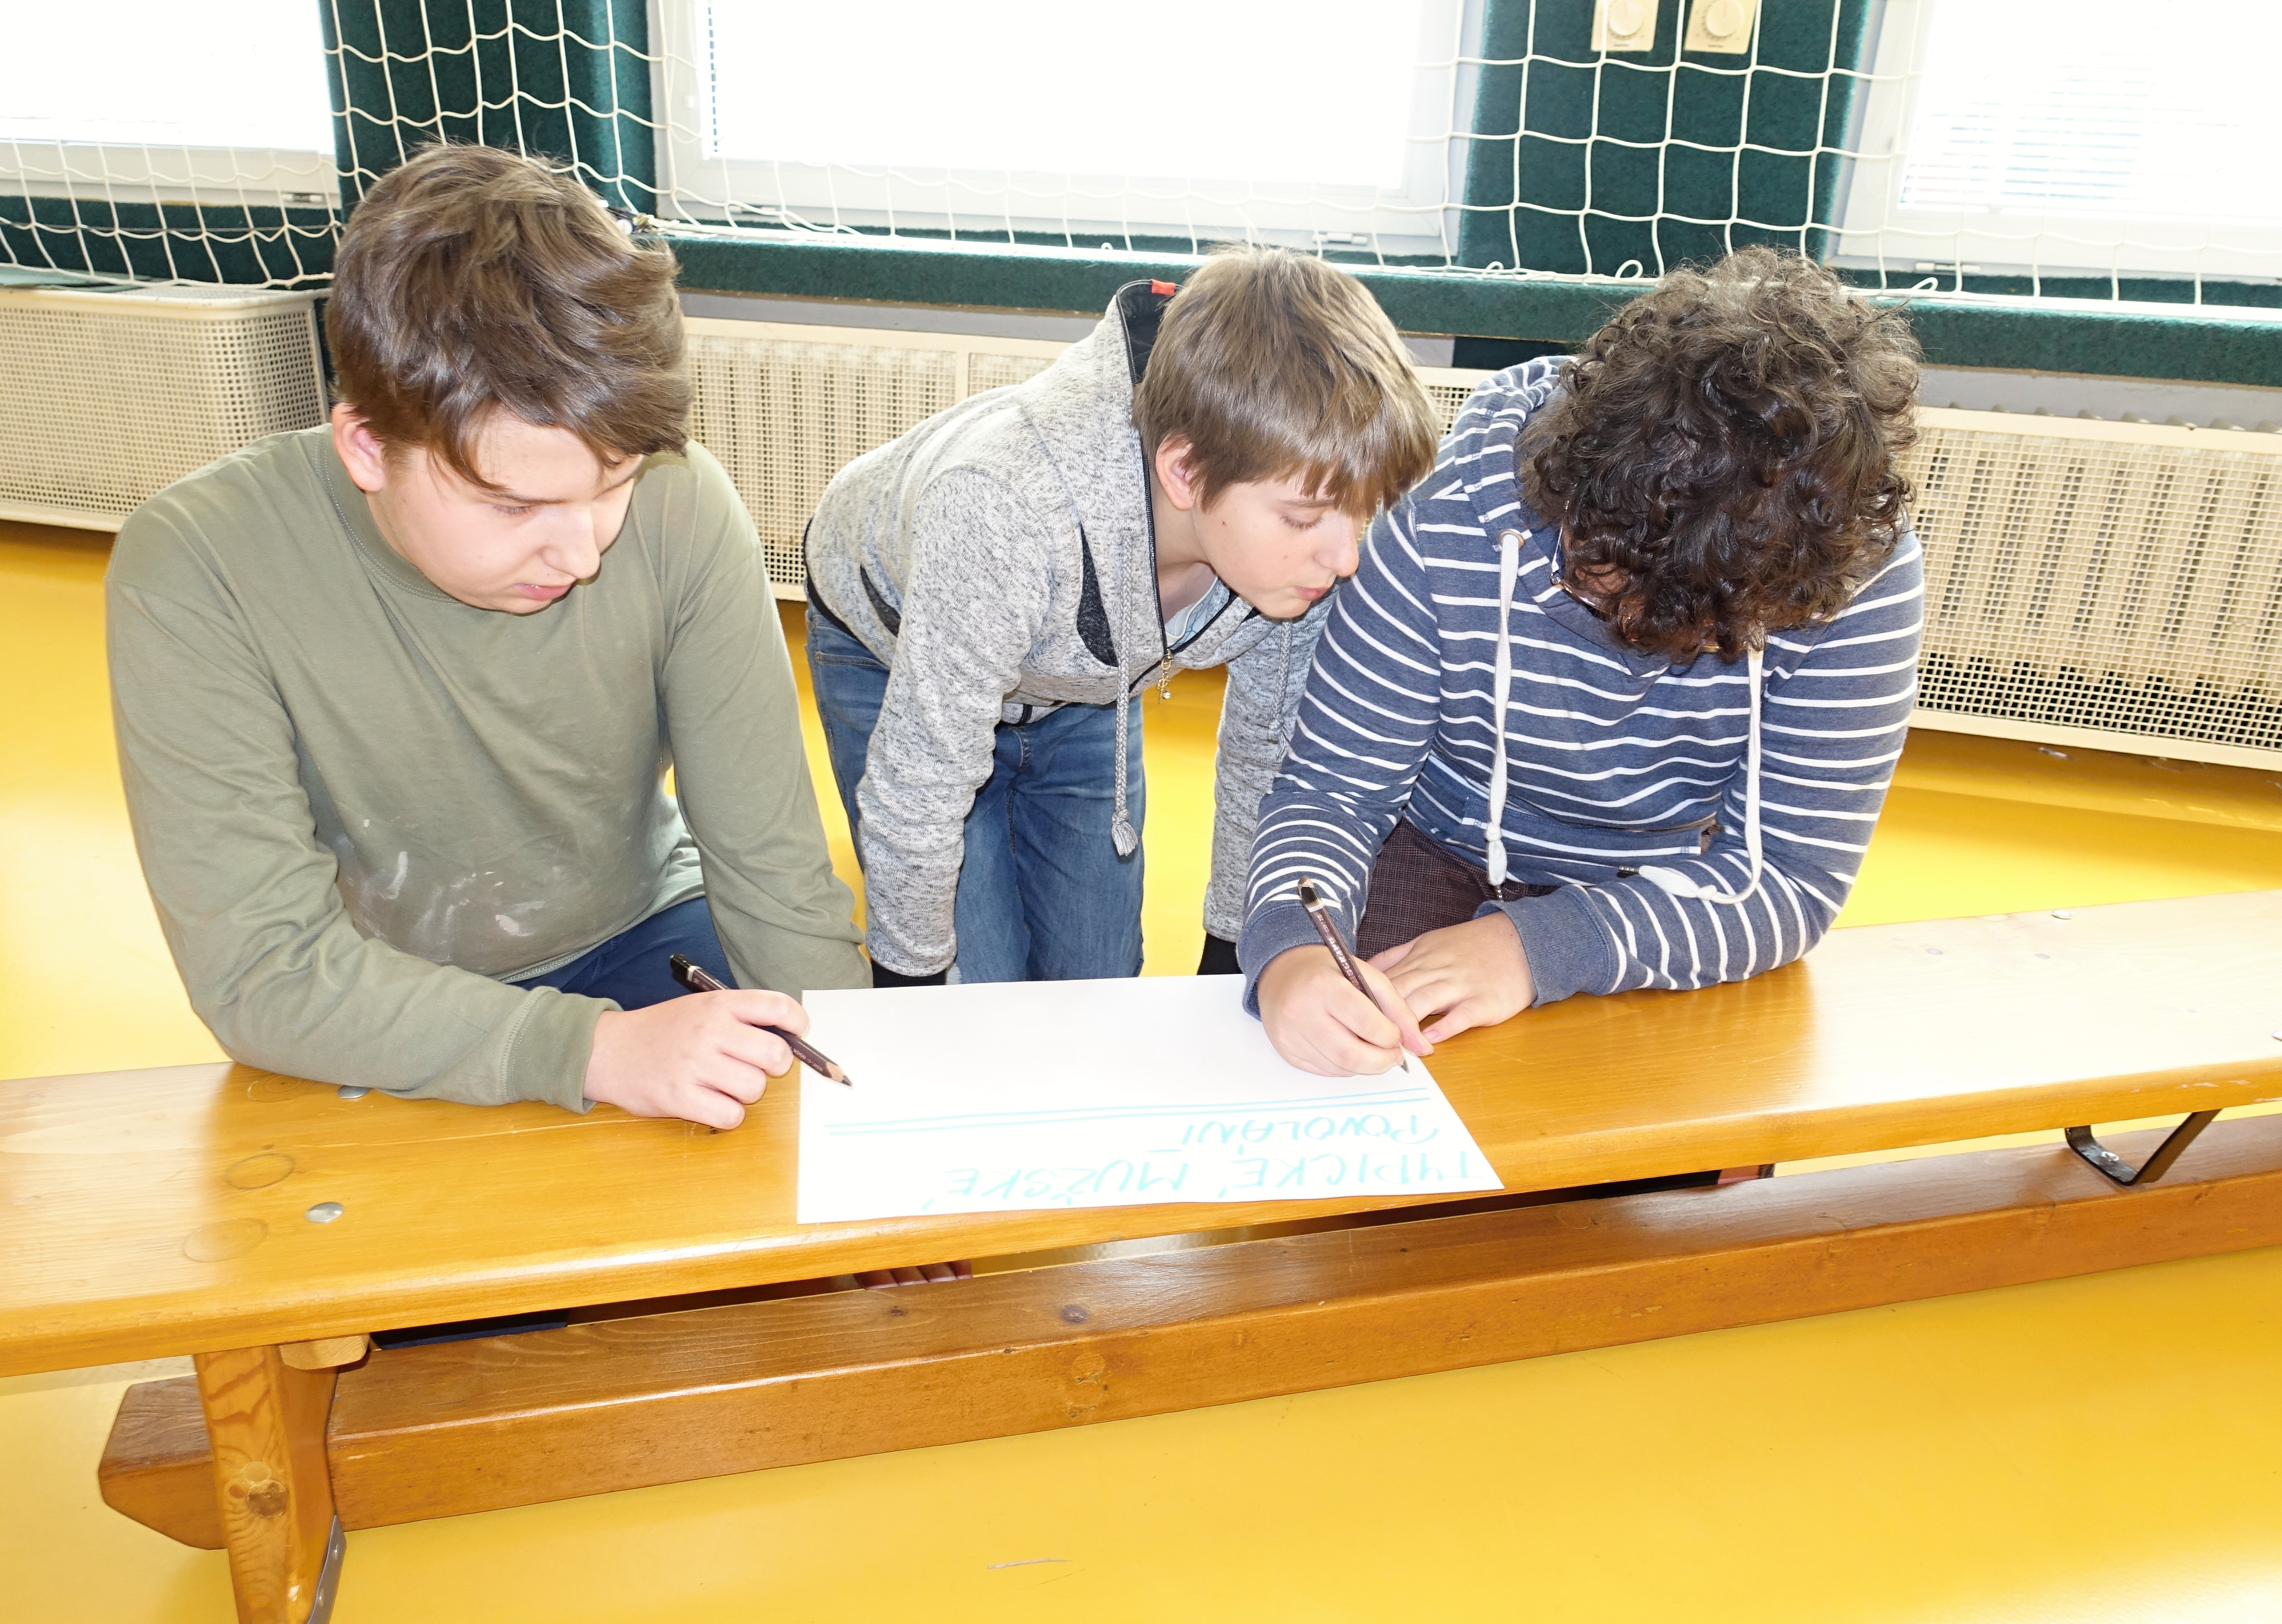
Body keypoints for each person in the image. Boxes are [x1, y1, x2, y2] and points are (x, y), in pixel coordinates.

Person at [107, 144, 867, 1128]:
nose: (582, 554)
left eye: (612, 486)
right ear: (367, 446)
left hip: (651, 934)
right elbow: (269, 973)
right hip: (379, 999)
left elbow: (772, 874)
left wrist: (863, 1099)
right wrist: (587, 1050)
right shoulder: (196, 564)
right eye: (515, 507)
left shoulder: (683, 501)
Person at [1243, 248, 1926, 1076]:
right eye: (1599, 579)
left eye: (1689, 625)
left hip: (1662, 884)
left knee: (1644, 1131)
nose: (1623, 628)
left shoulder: (1854, 578)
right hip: (1437, 843)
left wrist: (1539, 946)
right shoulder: (1447, 513)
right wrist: (1290, 954)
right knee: (1373, 1082)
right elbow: (1334, 791)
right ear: (1568, 482)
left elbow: (1788, 878)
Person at [801, 248, 1440, 988]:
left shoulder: (1301, 549)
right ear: (1185, 471)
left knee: (1097, 984)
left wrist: (1233, 960)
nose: (1346, 556)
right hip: (891, 645)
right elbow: (922, 783)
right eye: (1304, 518)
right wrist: (913, 993)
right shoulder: (1004, 507)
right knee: (977, 996)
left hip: (1082, 684)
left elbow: (1263, 755)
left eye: (1360, 514)